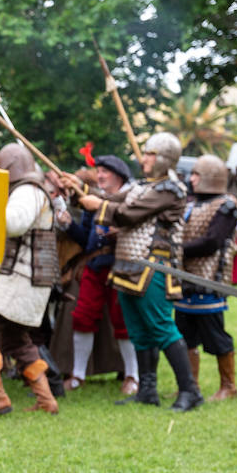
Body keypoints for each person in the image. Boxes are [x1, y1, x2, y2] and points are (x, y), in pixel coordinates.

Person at [76, 132, 204, 412]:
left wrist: (98, 205)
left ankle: (189, 390)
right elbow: (114, 199)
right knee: (138, 330)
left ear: (165, 159)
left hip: (153, 266)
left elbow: (126, 214)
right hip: (127, 263)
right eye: (144, 153)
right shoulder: (142, 187)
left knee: (161, 328)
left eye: (150, 154)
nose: (143, 159)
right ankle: (147, 390)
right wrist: (77, 189)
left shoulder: (170, 190)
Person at [0, 144, 60, 418]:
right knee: (18, 339)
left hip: (22, 278)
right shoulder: (30, 190)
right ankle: (46, 398)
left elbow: (15, 222)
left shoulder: (27, 191)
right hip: (26, 278)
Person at [59, 155, 138, 395]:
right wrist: (67, 224)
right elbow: (86, 238)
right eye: (99, 171)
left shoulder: (133, 198)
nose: (100, 176)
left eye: (105, 172)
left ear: (118, 175)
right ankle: (78, 375)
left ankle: (132, 376)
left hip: (122, 264)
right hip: (95, 266)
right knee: (83, 316)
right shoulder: (92, 200)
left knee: (123, 320)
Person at [174, 155, 237, 401]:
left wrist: (178, 249)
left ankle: (229, 386)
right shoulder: (190, 205)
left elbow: (212, 242)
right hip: (185, 278)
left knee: (215, 335)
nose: (191, 179)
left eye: (195, 175)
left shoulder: (227, 205)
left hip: (209, 279)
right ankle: (191, 386)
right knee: (185, 335)